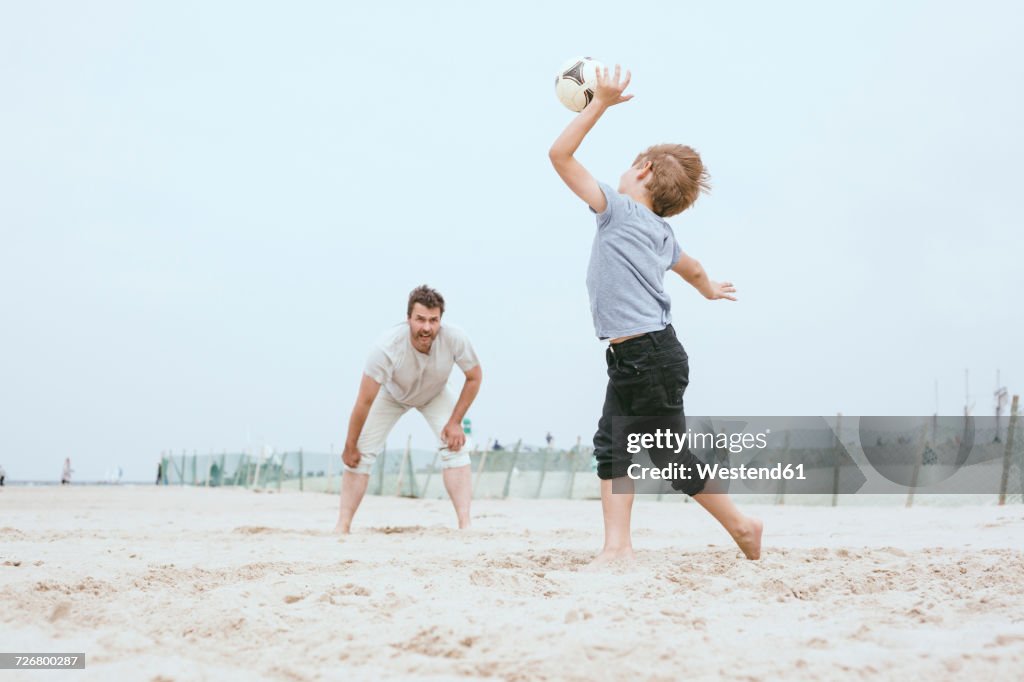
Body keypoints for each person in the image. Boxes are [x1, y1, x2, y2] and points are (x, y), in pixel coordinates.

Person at [548, 64, 763, 563]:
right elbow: (692, 267)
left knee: (663, 456)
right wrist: (708, 289)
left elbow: (559, 155)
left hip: (647, 355)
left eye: (629, 166)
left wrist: (598, 103)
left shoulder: (618, 210)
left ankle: (740, 526)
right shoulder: (663, 234)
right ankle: (620, 547)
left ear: (641, 172)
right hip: (642, 356)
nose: (622, 174)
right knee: (618, 446)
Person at [334, 285, 482, 533]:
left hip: (435, 393)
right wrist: (350, 445)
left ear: (440, 320)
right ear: (408, 319)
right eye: (420, 319)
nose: (426, 327)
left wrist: (455, 421)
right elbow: (364, 402)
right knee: (359, 454)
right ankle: (342, 526)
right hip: (392, 395)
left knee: (456, 448)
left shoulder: (455, 338)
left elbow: (474, 377)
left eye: (433, 320)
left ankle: (465, 526)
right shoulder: (385, 348)